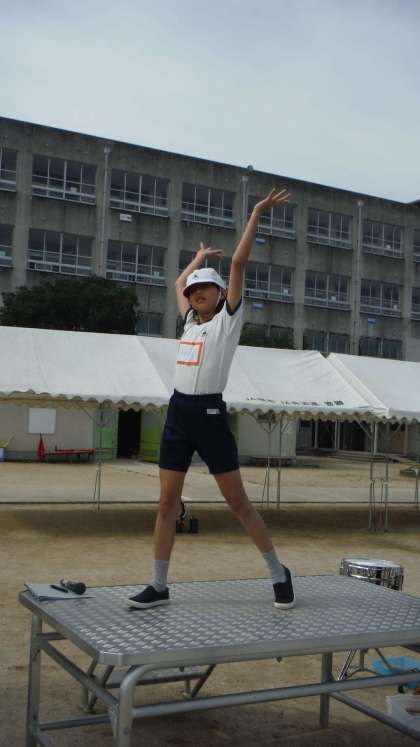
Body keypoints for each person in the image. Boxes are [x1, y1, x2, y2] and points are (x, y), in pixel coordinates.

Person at [128, 189, 295, 610]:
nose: (196, 291)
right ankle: (159, 585)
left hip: (209, 413)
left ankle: (279, 573)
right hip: (178, 412)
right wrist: (198, 259)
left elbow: (237, 263)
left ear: (221, 294)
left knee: (237, 502)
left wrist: (256, 213)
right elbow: (177, 283)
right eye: (195, 290)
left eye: (206, 287)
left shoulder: (227, 322)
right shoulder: (189, 322)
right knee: (167, 502)